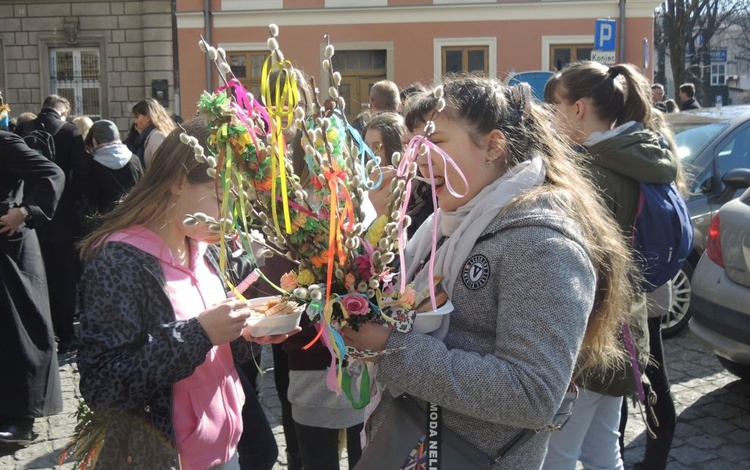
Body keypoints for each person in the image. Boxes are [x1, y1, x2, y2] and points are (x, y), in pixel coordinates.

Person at [343, 75, 638, 469]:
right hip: (414, 444)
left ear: (494, 146)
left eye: (436, 141)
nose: (416, 158)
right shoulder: (444, 227)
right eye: (415, 143)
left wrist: (390, 347)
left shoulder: (542, 242)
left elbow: (532, 393)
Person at [77, 118, 295, 469]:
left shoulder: (200, 247)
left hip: (225, 450)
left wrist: (248, 333)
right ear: (178, 182)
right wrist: (201, 332)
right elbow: (103, 385)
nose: (232, 218)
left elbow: (211, 352)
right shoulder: (119, 261)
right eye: (223, 198)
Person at [543, 61, 680, 470]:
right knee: (603, 448)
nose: (552, 119)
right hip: (626, 326)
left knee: (558, 456)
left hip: (590, 334)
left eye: (556, 108)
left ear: (579, 108)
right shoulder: (640, 154)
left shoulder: (594, 171)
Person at [0, 131, 65, 446]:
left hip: (10, 251)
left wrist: (24, 212)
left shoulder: (5, 142)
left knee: (19, 331)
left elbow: (52, 173)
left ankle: (22, 418)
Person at [15, 94, 89, 354]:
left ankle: (39, 336)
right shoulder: (70, 132)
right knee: (64, 281)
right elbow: (82, 175)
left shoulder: (23, 129)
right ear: (64, 112)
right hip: (62, 217)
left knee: (34, 278)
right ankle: (66, 336)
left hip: (27, 217)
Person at [363, 112, 434, 237]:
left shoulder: (425, 190)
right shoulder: (372, 189)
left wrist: (387, 215)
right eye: (367, 147)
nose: (370, 155)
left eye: (377, 147)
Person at [83, 119, 143, 218]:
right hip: (131, 217)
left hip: (104, 221)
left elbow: (91, 197)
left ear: (94, 140)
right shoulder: (134, 160)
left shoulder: (92, 164)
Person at [131, 98, 177, 169]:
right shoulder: (153, 134)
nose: (135, 122)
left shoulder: (156, 136)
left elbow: (161, 166)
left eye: (137, 117)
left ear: (148, 118)